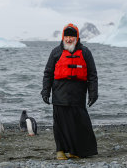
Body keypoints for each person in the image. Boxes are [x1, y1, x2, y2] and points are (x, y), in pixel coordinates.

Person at [41, 23, 98, 160]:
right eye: (66, 36)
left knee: (79, 124)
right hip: (60, 94)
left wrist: (93, 93)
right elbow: (48, 73)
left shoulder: (85, 52)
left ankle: (74, 151)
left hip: (78, 95)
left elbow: (92, 74)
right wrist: (45, 91)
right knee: (60, 124)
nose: (68, 39)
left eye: (71, 37)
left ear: (77, 38)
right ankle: (60, 151)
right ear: (63, 37)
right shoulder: (56, 52)